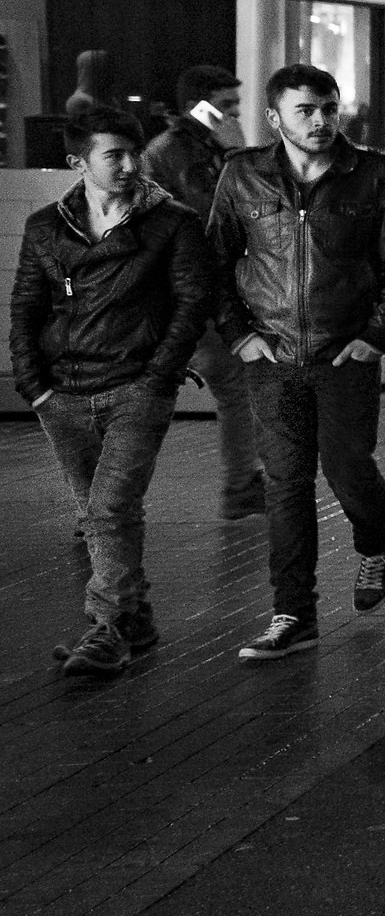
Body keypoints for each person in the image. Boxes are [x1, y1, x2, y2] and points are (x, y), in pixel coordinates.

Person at [210, 64, 385, 662]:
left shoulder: (374, 174)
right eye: (305, 110)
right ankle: (293, 614)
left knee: (348, 468)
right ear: (274, 118)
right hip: (271, 356)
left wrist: (377, 337)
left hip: (344, 353)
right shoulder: (242, 175)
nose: (321, 121)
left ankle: (377, 538)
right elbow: (215, 262)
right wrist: (238, 335)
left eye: (329, 108)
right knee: (285, 485)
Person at [14, 108, 212, 676]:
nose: (129, 165)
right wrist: (35, 387)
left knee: (108, 509)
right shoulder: (45, 227)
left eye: (133, 153)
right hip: (63, 394)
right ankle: (136, 620)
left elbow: (192, 303)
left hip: (136, 389)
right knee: (98, 514)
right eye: (113, 155)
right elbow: (26, 306)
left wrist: (158, 378)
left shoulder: (171, 223)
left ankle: (107, 627)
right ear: (78, 163)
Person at [142, 63, 265, 518]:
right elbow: (206, 212)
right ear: (198, 106)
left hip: (215, 287)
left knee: (234, 385)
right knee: (224, 386)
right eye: (225, 105)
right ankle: (240, 485)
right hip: (189, 290)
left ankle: (243, 483)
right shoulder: (170, 153)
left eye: (236, 104)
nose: (234, 113)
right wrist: (236, 155)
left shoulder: (213, 148)